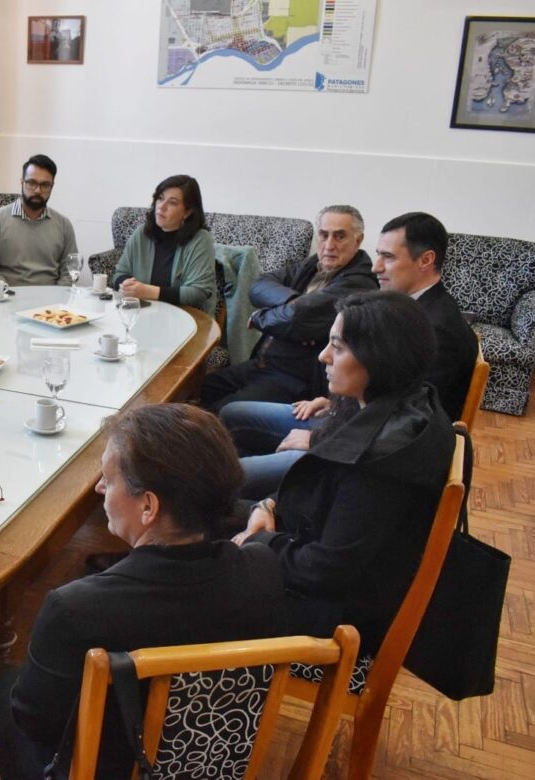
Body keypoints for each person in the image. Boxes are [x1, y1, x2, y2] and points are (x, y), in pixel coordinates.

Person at [0, 404, 287, 778]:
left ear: (148, 506)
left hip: (113, 768)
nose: (98, 488)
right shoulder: (263, 571)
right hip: (213, 763)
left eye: (109, 480)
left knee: (1, 687)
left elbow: (35, 723)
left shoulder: (75, 610)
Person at [234, 291, 455, 654]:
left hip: (337, 620)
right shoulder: (407, 400)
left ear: (379, 359)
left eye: (337, 347)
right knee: (209, 510)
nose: (323, 356)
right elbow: (320, 495)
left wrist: (260, 542)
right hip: (333, 564)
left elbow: (323, 569)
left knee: (192, 561)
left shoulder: (380, 463)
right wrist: (268, 508)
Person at [222, 212, 478, 498]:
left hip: (359, 451)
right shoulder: (408, 309)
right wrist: (334, 402)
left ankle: (257, 498)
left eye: (388, 258)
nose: (377, 267)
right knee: (232, 413)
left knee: (223, 480)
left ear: (425, 260)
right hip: (347, 420)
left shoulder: (437, 330)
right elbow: (382, 389)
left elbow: (403, 424)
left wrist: (318, 438)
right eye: (378, 254)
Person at [199, 205, 378, 413]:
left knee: (222, 413)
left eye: (339, 236)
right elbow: (258, 285)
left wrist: (260, 317)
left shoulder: (360, 283)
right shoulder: (314, 265)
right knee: (200, 388)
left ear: (358, 240)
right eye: (324, 235)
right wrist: (295, 301)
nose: (329, 245)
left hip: (292, 378)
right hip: (261, 363)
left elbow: (297, 317)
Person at [112, 174, 216, 315]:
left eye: (172, 203)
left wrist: (147, 291)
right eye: (160, 198)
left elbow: (198, 293)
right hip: (142, 315)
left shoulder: (201, 240)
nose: (161, 206)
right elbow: (120, 273)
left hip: (187, 319)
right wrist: (126, 285)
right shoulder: (141, 234)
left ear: (187, 212)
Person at [0, 154, 78, 287]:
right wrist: (9, 296)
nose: (37, 190)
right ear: (22, 182)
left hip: (50, 303)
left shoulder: (64, 225)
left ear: (52, 186)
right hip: (7, 300)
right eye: (31, 183)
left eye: (45, 185)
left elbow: (69, 273)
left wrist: (56, 300)